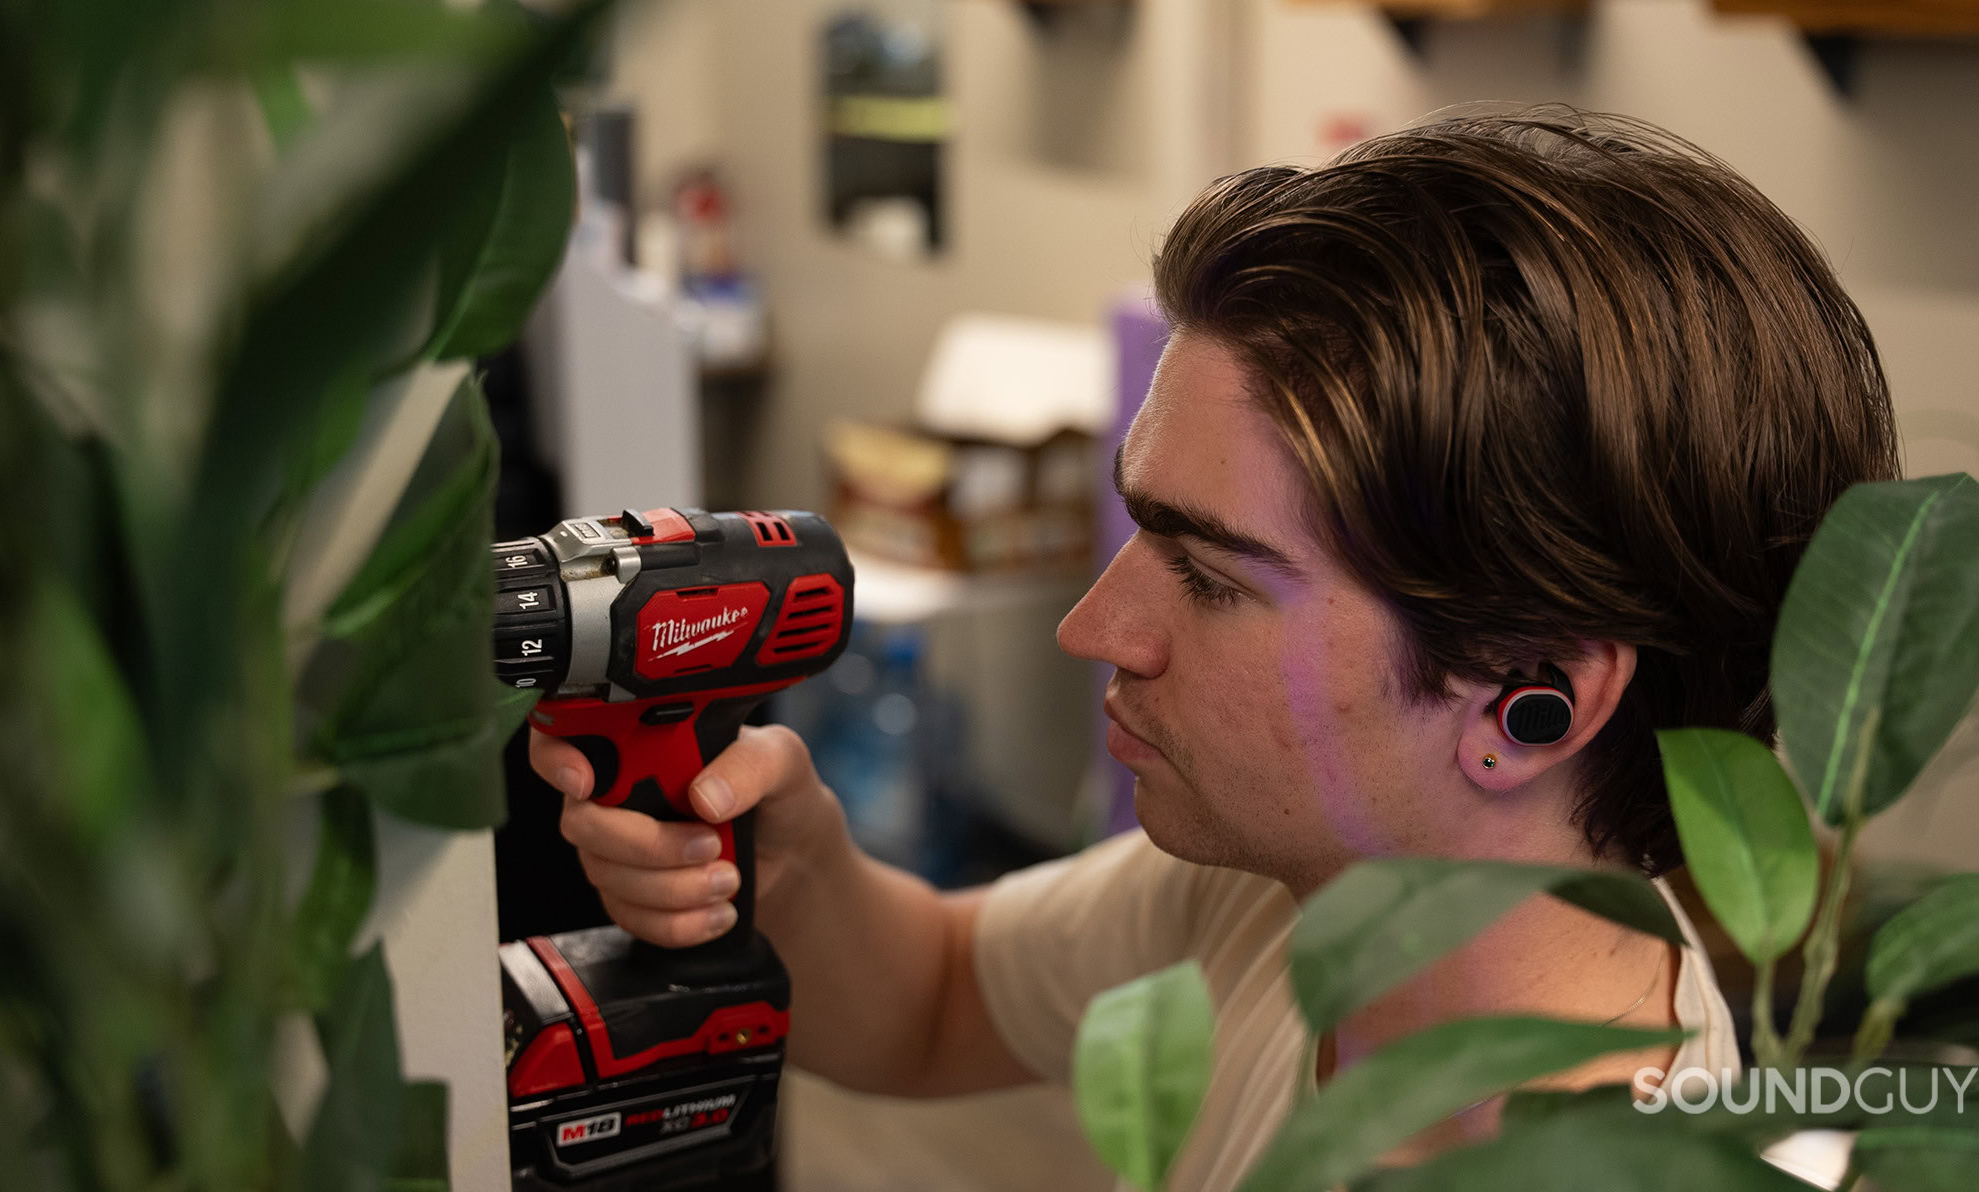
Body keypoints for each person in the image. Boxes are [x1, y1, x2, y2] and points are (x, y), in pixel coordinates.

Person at [528, 106, 1897, 1190]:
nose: (1095, 627)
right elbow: (940, 1001)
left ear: (1530, 702)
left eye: (1212, 573)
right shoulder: (1290, 898)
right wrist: (802, 859)